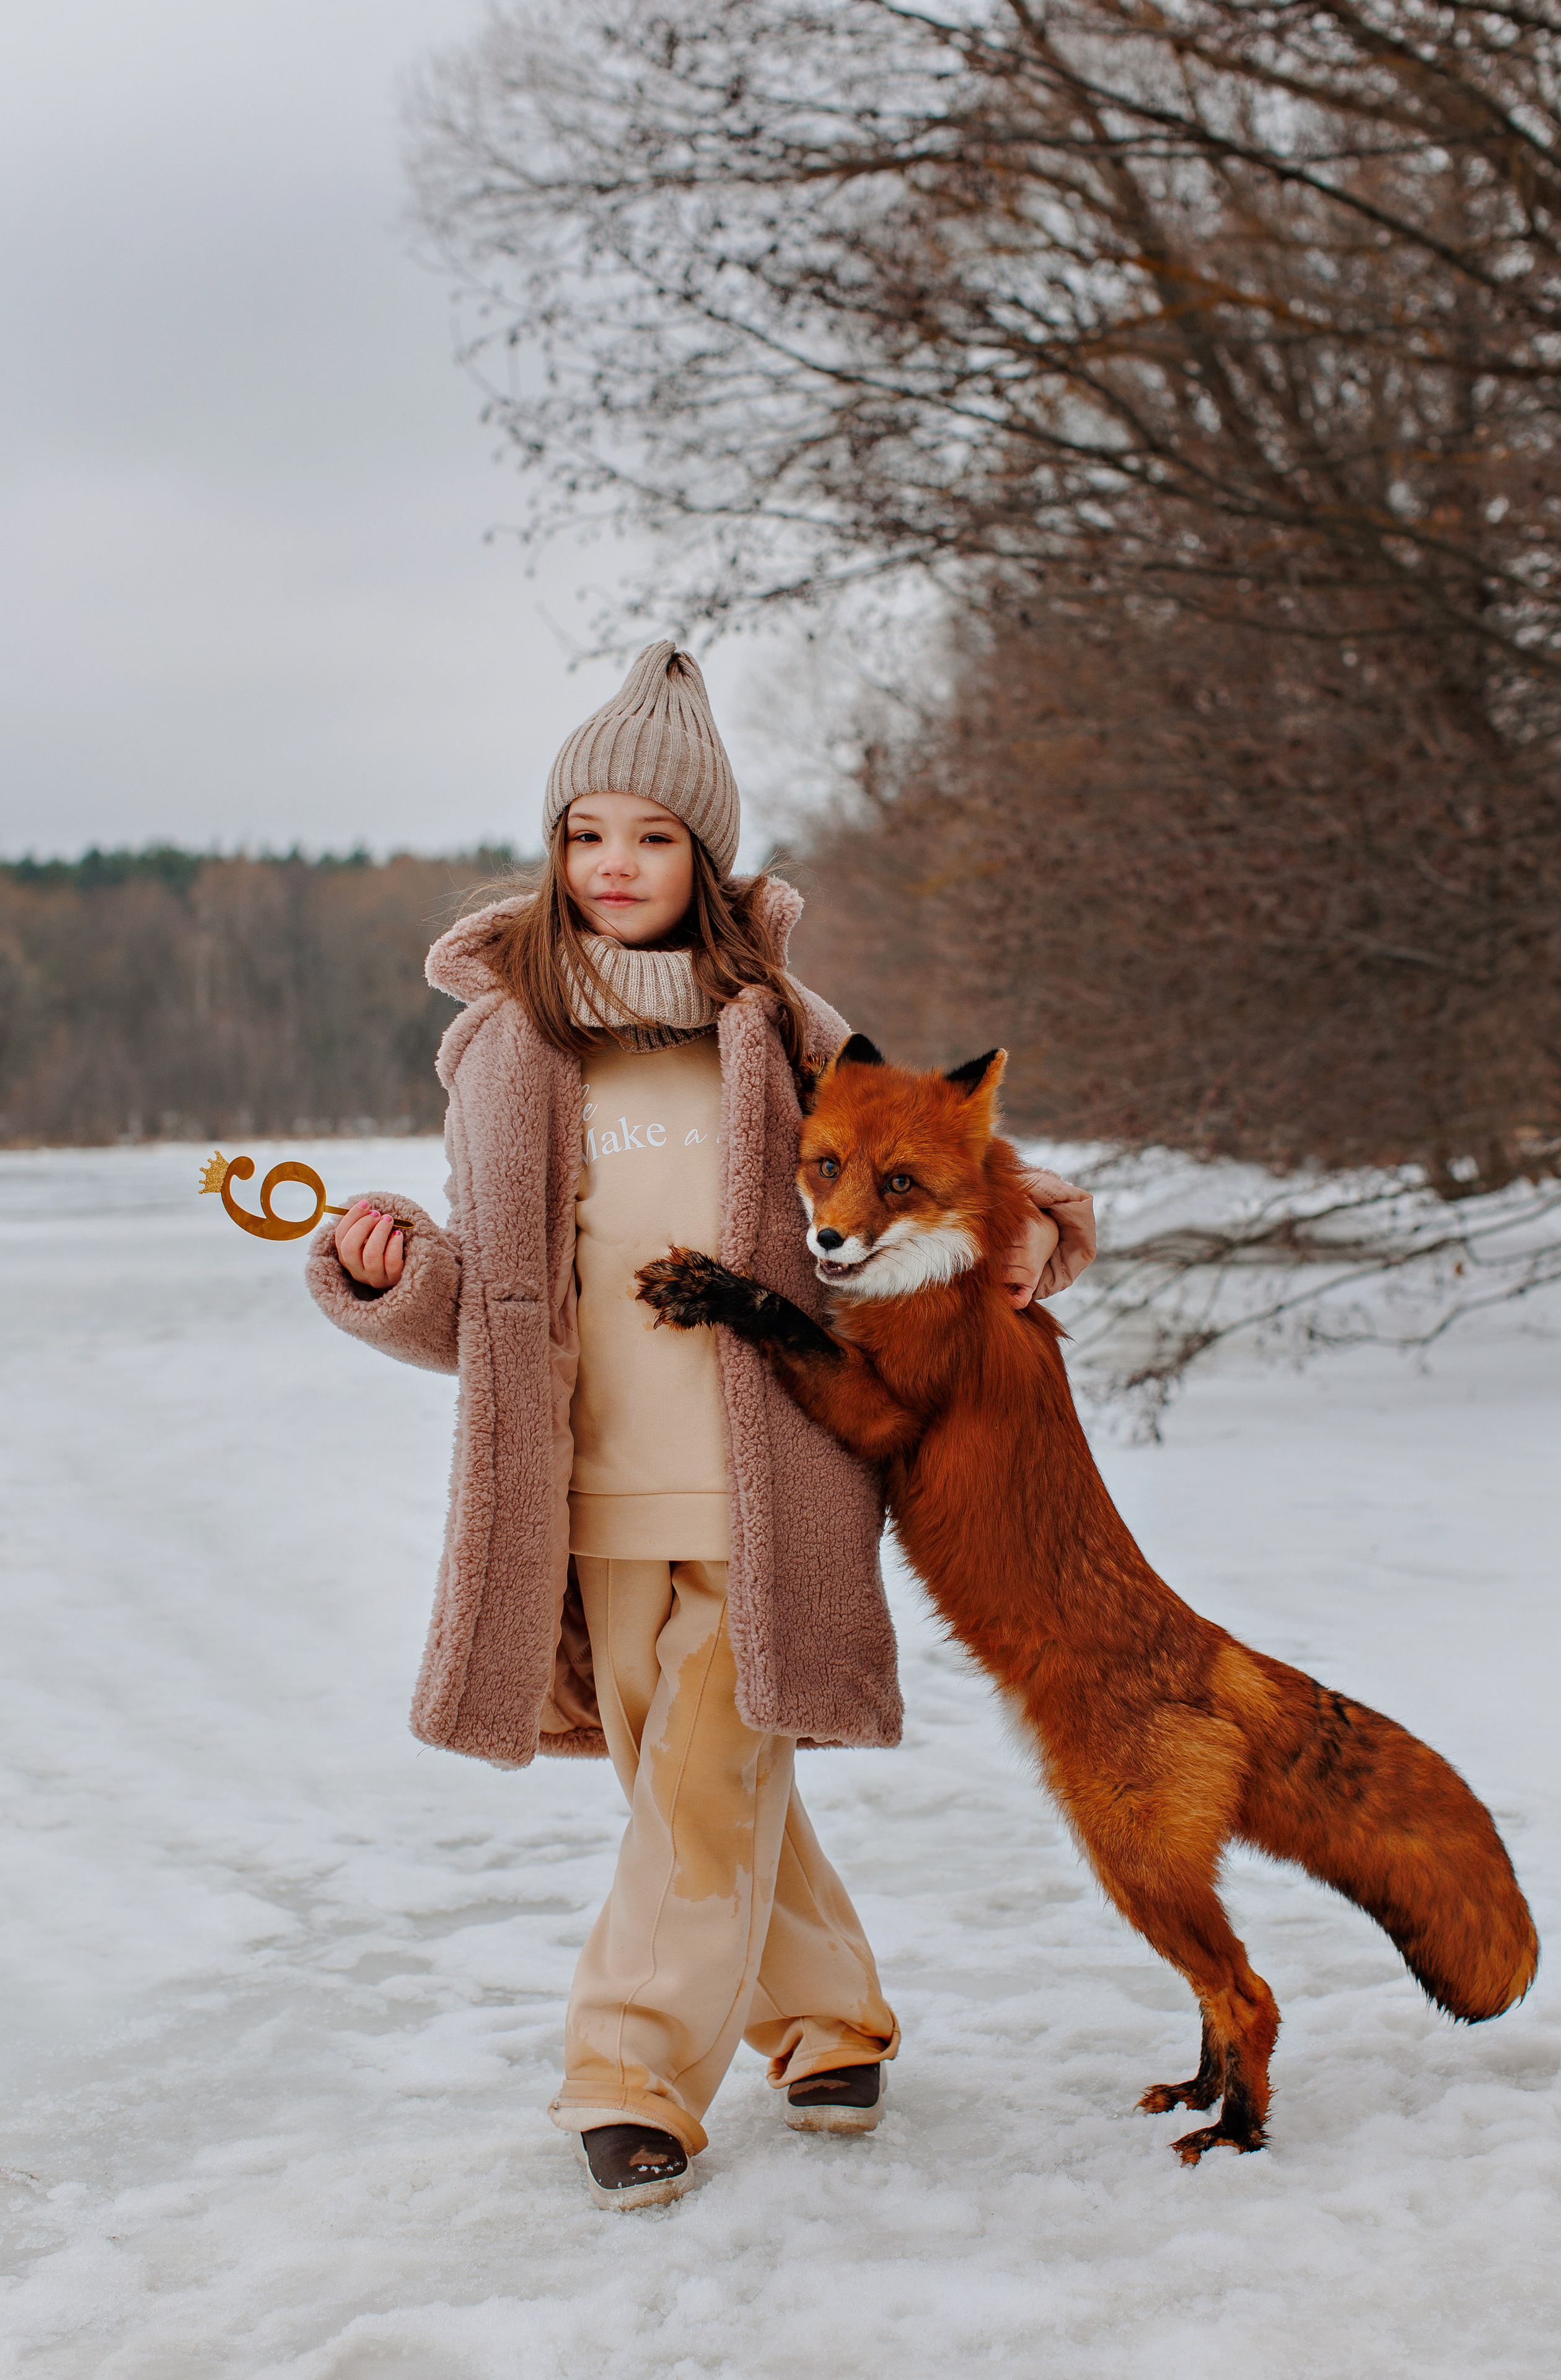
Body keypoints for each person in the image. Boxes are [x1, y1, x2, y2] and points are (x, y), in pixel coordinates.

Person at [306, 643, 1096, 2210]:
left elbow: (923, 1172)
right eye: (588, 834)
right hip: (586, 1490)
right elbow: (507, 1292)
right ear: (556, 849)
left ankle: (628, 2074)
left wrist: (1017, 1236)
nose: (615, 866)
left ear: (705, 857)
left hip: (767, 1476)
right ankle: (827, 2019)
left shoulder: (788, 1031)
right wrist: (391, 1276)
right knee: (696, 1786)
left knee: (700, 1781)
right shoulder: (500, 1043)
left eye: (652, 838)